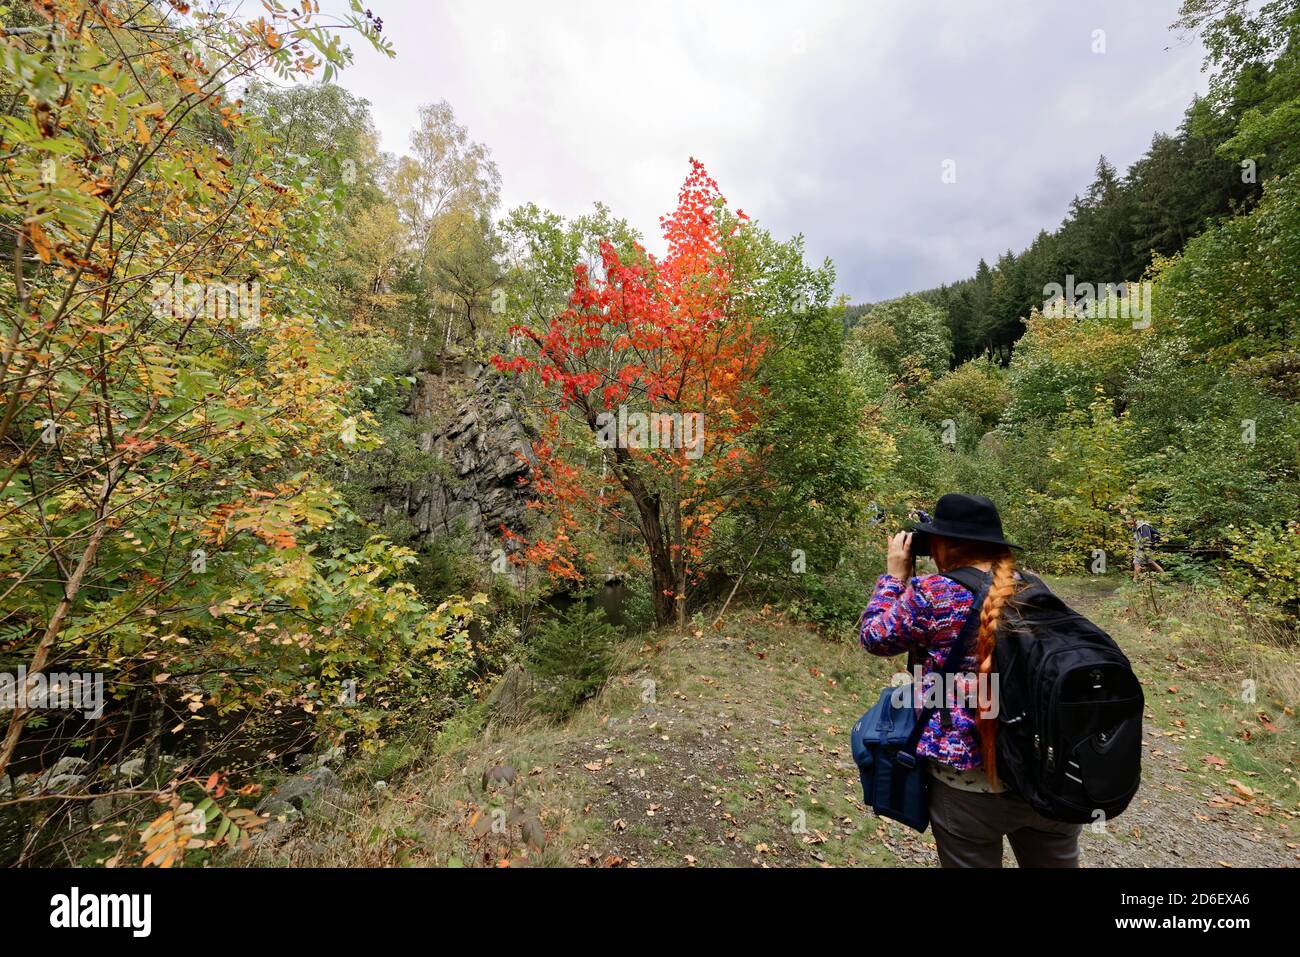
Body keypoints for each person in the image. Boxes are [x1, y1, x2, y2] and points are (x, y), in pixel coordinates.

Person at [858, 493, 1082, 867]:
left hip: (967, 783)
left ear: (943, 544)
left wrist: (894, 578)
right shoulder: (1033, 586)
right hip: (1044, 774)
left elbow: (874, 637)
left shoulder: (933, 593)